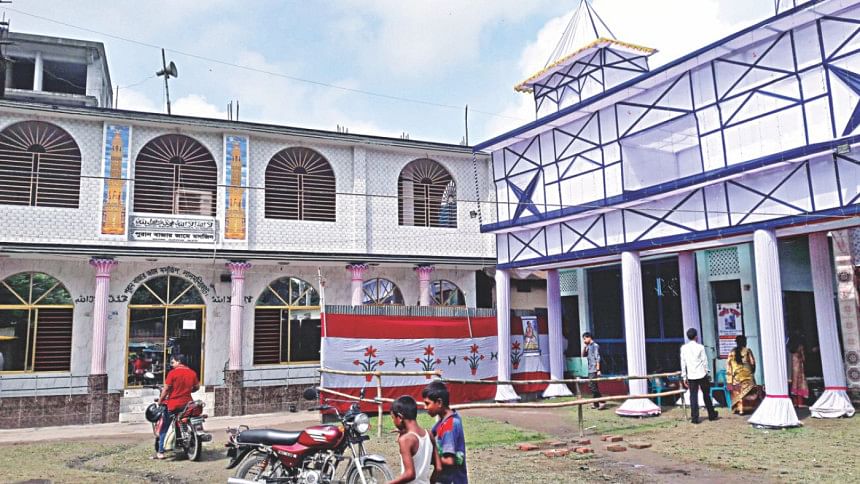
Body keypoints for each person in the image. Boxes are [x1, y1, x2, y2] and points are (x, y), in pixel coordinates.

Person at [154, 354, 199, 459]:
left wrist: (160, 401)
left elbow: (166, 389)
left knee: (164, 426)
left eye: (173, 362)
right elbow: (196, 387)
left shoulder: (172, 373)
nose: (172, 364)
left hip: (174, 404)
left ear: (179, 362)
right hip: (188, 404)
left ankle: (160, 452)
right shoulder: (192, 373)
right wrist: (188, 390)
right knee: (184, 419)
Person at [422, 381, 467, 484]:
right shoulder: (446, 420)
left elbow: (449, 461)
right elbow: (429, 435)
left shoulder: (449, 426)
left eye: (427, 403)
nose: (425, 407)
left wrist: (428, 458)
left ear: (439, 402)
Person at [387, 395, 434, 484]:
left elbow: (410, 474)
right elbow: (439, 468)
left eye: (393, 417)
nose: (393, 421)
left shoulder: (406, 440)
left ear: (400, 417)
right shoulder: (429, 434)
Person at [680, 328, 718, 424]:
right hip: (701, 374)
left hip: (691, 375)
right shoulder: (700, 347)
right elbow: (704, 361)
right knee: (706, 395)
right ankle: (711, 414)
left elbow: (683, 363)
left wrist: (684, 376)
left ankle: (695, 418)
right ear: (696, 336)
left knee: (693, 396)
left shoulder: (684, 348)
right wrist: (707, 372)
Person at [726, 335, 760, 415]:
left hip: (736, 377)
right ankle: (749, 408)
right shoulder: (748, 351)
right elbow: (753, 363)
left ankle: (740, 410)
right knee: (750, 391)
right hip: (747, 377)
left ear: (737, 343)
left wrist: (729, 379)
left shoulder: (731, 352)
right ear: (745, 342)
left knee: (737, 392)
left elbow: (729, 366)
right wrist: (752, 372)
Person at [581, 332, 606, 410]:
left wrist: (598, 369)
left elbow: (597, 357)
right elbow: (583, 355)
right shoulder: (588, 346)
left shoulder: (595, 346)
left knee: (592, 386)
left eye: (585, 338)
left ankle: (602, 402)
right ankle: (596, 403)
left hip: (594, 369)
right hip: (590, 368)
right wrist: (585, 347)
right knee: (593, 386)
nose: (584, 340)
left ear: (589, 337)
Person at [788, 335, 809, 407]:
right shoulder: (800, 347)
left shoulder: (789, 350)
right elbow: (803, 358)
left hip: (791, 368)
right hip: (799, 367)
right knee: (800, 383)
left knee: (793, 384)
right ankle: (800, 403)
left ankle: (794, 402)